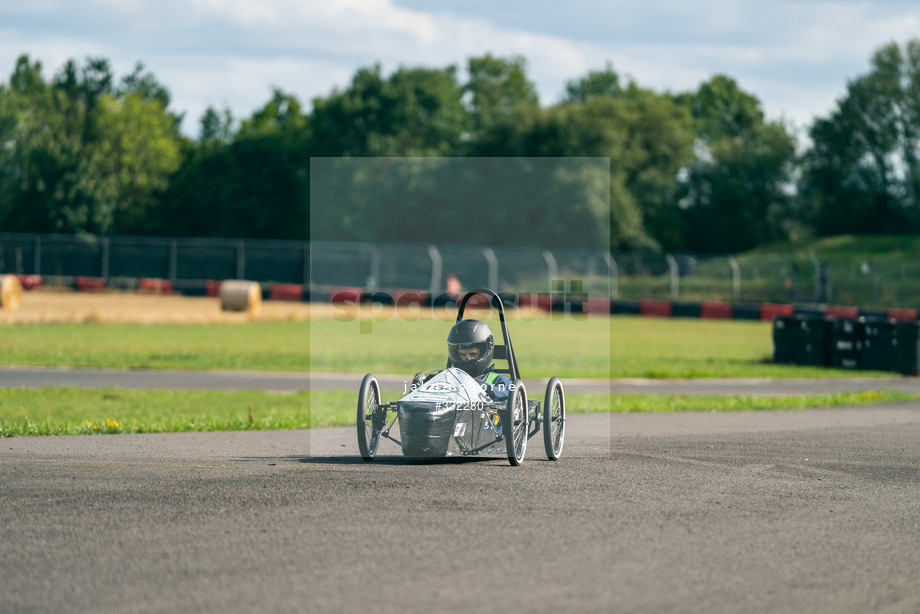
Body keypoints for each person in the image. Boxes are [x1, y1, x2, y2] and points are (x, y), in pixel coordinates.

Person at [446, 318, 512, 401]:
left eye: (473, 354)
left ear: (484, 353)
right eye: (462, 354)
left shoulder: (499, 379)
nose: (467, 359)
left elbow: (509, 391)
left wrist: (486, 388)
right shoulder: (448, 377)